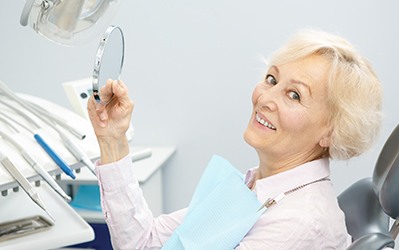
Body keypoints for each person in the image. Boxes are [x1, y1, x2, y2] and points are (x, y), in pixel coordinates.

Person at [87, 29, 382, 249]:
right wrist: (113, 139)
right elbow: (145, 243)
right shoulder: (254, 189)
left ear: (331, 131)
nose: (266, 98)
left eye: (294, 95)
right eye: (271, 79)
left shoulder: (299, 223)